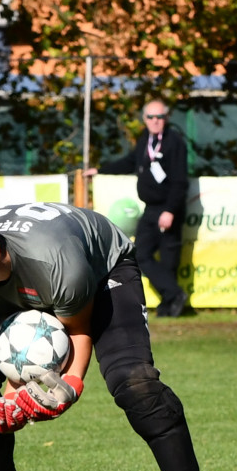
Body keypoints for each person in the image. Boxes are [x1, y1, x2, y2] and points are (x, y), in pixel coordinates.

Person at [0, 202, 216, 471]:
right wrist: (13, 397)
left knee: (133, 382)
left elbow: (77, 331)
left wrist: (71, 385)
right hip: (26, 287)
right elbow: (12, 344)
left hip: (99, 272)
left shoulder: (55, 263)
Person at [86, 99, 190, 317]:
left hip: (169, 209)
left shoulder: (175, 142)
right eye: (151, 117)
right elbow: (129, 162)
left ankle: (169, 304)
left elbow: (180, 181)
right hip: (150, 209)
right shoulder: (145, 140)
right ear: (144, 119)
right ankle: (174, 294)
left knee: (170, 260)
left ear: (166, 118)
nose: (155, 121)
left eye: (159, 117)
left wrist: (170, 210)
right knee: (141, 254)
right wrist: (100, 170)